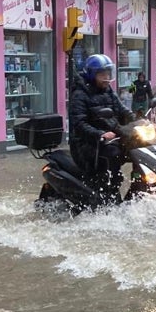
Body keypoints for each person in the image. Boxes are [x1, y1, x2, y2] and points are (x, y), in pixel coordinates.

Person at [68, 54, 132, 203]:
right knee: (113, 153)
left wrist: (140, 121)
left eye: (108, 73)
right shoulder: (79, 95)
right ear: (92, 74)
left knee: (135, 146)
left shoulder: (108, 90)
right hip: (85, 144)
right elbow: (79, 124)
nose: (106, 77)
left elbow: (122, 110)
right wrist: (100, 134)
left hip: (108, 139)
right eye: (102, 74)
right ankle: (106, 194)